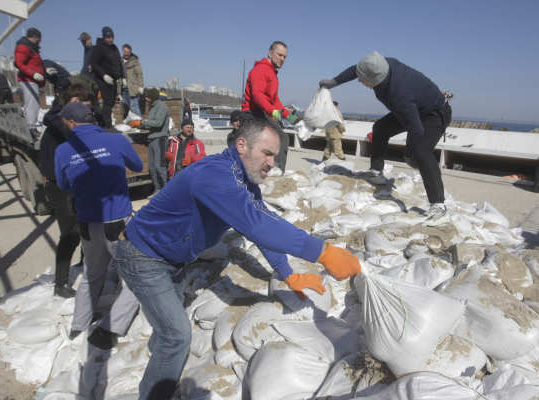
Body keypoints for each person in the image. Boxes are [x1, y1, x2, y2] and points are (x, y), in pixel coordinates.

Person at [114, 118, 361, 400]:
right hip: (142, 255)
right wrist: (323, 252)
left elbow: (262, 224)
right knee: (178, 336)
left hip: (173, 258)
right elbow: (258, 227)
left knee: (171, 325)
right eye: (267, 153)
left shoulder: (243, 182)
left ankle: (161, 354)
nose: (272, 162)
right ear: (241, 145)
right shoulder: (215, 175)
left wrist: (287, 273)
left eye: (276, 156)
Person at [319, 51, 453, 226]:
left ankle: (439, 207)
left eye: (363, 79)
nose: (359, 80)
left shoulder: (399, 94)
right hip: (415, 107)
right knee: (380, 128)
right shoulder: (381, 64)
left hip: (434, 114)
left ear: (376, 79)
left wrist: (408, 153)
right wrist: (334, 82)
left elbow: (416, 130)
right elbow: (358, 70)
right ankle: (376, 172)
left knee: (422, 152)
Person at [54, 102, 143, 350]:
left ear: (72, 123)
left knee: (91, 275)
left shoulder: (63, 150)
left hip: (86, 223)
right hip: (116, 223)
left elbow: (62, 185)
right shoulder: (116, 141)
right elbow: (137, 166)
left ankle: (78, 326)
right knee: (139, 277)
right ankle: (110, 329)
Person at [40, 85, 95, 299]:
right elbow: (66, 164)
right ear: (74, 101)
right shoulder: (60, 128)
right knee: (70, 233)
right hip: (61, 186)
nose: (87, 117)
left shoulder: (65, 123)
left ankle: (84, 263)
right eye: (86, 109)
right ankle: (60, 284)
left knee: (85, 226)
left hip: (72, 185)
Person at [240, 41, 298, 172]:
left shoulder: (273, 74)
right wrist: (272, 112)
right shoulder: (261, 69)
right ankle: (276, 171)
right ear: (270, 53)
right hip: (251, 112)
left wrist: (287, 114)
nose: (282, 59)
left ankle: (269, 170)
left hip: (261, 113)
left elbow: (275, 100)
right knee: (281, 138)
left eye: (285, 57)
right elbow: (257, 94)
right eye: (280, 55)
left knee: (276, 139)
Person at [90, 26, 123, 132]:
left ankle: (104, 123)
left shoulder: (114, 48)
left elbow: (119, 62)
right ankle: (107, 125)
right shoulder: (99, 48)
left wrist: (122, 76)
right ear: (104, 37)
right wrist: (103, 75)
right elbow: (93, 63)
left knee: (111, 102)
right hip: (103, 79)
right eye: (108, 37)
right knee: (108, 101)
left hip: (113, 79)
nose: (110, 39)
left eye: (112, 37)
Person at [14, 27, 45, 134]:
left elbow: (34, 65)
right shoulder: (24, 47)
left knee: (30, 102)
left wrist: (45, 70)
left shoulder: (30, 47)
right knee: (32, 103)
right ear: (35, 37)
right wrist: (33, 74)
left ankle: (30, 125)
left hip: (30, 79)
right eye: (39, 39)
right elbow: (18, 63)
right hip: (28, 79)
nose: (40, 41)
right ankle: (31, 127)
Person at [140, 88, 170, 198]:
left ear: (152, 97)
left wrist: (142, 122)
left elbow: (158, 123)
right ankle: (158, 189)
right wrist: (140, 124)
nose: (146, 98)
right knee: (152, 167)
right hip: (152, 139)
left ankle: (168, 191)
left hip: (160, 138)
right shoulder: (151, 107)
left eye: (147, 96)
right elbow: (150, 124)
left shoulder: (161, 106)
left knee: (160, 166)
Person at [118, 44, 144, 118]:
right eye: (125, 51)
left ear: (130, 52)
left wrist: (141, 86)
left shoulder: (135, 62)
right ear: (123, 51)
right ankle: (130, 122)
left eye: (128, 52)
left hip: (133, 86)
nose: (126, 53)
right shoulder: (120, 61)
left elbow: (139, 74)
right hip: (123, 87)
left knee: (134, 106)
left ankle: (138, 122)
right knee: (126, 106)